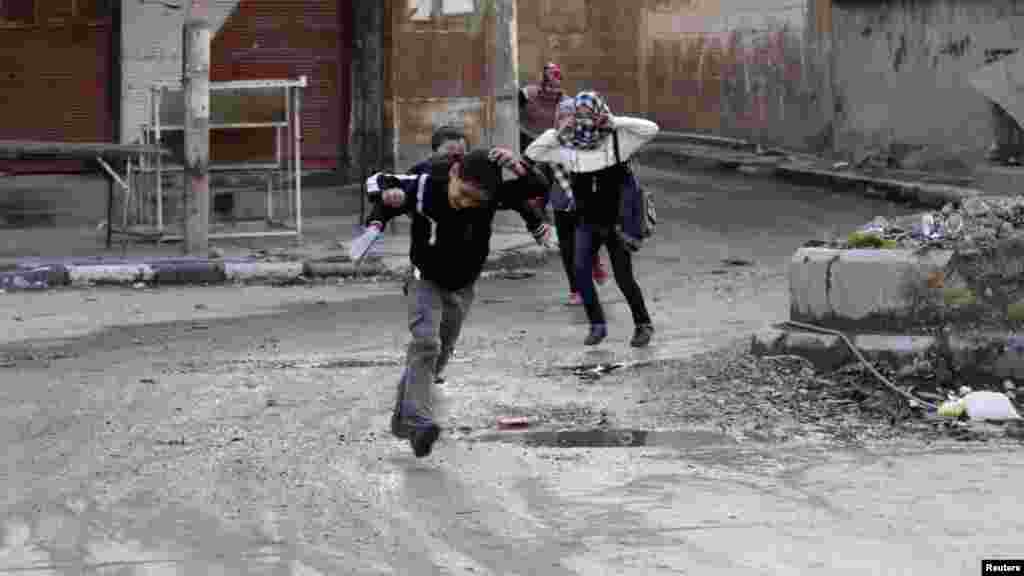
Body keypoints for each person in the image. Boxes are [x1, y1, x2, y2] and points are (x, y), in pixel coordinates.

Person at [367, 147, 550, 457]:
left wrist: (519, 167)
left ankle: (405, 422)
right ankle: (418, 421)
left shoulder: (491, 196)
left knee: (439, 353)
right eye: (463, 192)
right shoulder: (426, 187)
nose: (464, 203)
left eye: (474, 200)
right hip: (424, 277)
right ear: (453, 174)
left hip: (463, 286)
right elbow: (377, 181)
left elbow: (538, 188)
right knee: (426, 344)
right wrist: (389, 197)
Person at [525, 91, 659, 348]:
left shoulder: (618, 139)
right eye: (580, 114)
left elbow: (651, 129)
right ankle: (596, 325)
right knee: (581, 272)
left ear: (600, 111)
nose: (584, 119)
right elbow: (534, 151)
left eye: (590, 112)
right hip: (587, 221)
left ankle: (643, 324)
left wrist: (613, 121)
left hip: (617, 222)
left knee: (624, 277)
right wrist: (558, 130)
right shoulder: (566, 144)